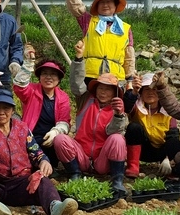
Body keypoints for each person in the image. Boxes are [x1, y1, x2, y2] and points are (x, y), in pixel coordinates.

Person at [0, 88, 78, 215]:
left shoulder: (22, 128)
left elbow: (36, 152)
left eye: (6, 108)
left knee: (42, 180)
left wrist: (44, 161)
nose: (1, 112)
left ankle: (55, 207)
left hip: (20, 185)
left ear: (13, 111)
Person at [53, 41, 128, 194]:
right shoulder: (85, 100)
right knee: (60, 139)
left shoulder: (117, 108)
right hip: (82, 156)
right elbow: (76, 83)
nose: (103, 92)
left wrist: (119, 115)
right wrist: (79, 59)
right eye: (101, 88)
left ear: (115, 93)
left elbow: (112, 132)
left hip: (103, 160)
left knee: (118, 139)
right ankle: (75, 174)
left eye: (108, 90)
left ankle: (117, 179)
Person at [61, 0, 135, 84]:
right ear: (97, 5)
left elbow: (129, 57)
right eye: (102, 2)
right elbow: (74, 4)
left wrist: (130, 79)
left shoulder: (125, 28)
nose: (105, 5)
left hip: (116, 78)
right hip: (90, 75)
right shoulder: (88, 21)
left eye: (109, 2)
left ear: (115, 6)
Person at [13, 58, 71, 175]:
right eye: (44, 73)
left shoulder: (63, 97)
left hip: (50, 140)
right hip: (30, 138)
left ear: (59, 79)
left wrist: (55, 132)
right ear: (39, 77)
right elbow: (20, 86)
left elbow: (64, 121)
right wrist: (28, 63)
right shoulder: (32, 90)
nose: (48, 77)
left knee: (55, 145)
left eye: (53, 74)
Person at [122, 73, 180, 178]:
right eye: (146, 90)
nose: (150, 93)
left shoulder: (168, 112)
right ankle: (133, 166)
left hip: (161, 151)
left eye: (154, 90)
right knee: (134, 127)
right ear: (141, 93)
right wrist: (134, 91)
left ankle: (171, 165)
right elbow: (126, 106)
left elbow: (173, 136)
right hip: (143, 149)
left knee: (176, 141)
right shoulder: (136, 107)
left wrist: (167, 158)